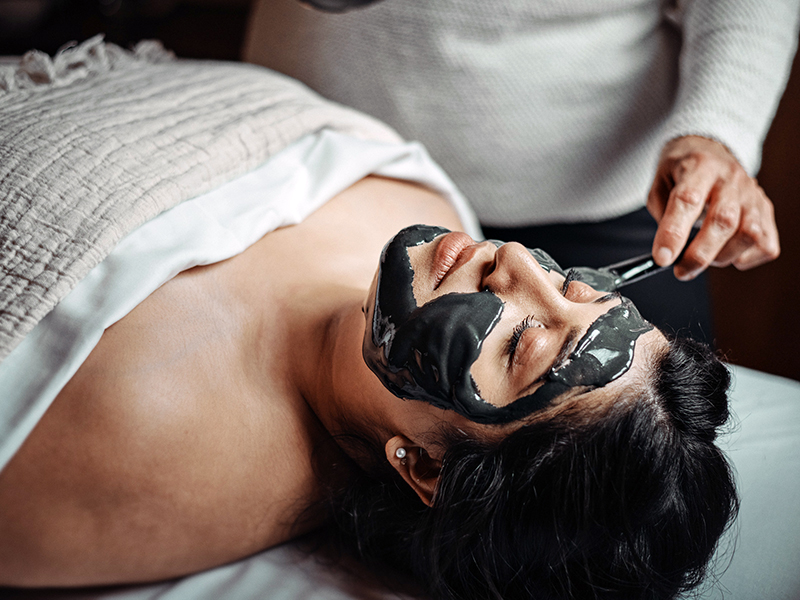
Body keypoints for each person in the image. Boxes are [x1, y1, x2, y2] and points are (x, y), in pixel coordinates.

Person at [0, 170, 737, 599]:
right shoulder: (438, 221)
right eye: (575, 285)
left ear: (423, 465)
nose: (514, 259)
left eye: (523, 342)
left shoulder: (128, 450)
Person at [242, 0, 800, 343]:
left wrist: (720, 127)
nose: (512, 261)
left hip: (604, 200)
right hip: (316, 159)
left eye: (529, 346)